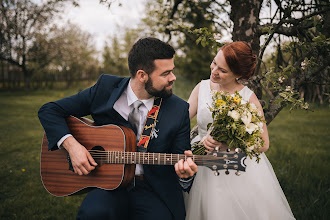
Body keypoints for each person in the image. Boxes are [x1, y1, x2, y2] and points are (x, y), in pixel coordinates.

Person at [38, 37, 198, 220]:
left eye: (172, 71)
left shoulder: (178, 109)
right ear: (142, 75)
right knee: (93, 213)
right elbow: (49, 110)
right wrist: (72, 146)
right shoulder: (105, 89)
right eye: (165, 73)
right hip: (108, 184)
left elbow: (182, 158)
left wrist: (185, 175)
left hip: (151, 189)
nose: (173, 78)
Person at [185, 41, 295, 220]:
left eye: (223, 70)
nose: (214, 71)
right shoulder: (202, 88)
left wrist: (226, 141)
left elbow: (263, 143)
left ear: (238, 74)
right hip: (202, 160)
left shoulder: (248, 98)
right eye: (214, 63)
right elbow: (181, 121)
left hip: (235, 165)